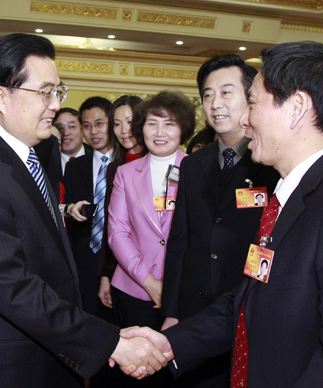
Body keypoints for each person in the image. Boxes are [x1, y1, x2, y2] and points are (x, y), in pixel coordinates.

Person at [0, 33, 171, 388]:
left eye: (58, 91)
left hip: (39, 355)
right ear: (0, 96)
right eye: (44, 92)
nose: (55, 105)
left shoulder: (23, 156)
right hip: (0, 368)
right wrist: (112, 342)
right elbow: (13, 288)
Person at [124, 40, 323, 388]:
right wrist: (170, 342)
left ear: (296, 108)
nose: (243, 118)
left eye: (252, 102)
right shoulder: (292, 197)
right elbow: (247, 300)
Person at [160, 54, 279, 387]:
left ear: (252, 97)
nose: (215, 104)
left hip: (246, 305)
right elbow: (180, 240)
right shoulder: (193, 165)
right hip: (194, 308)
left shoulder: (270, 163)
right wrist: (171, 310)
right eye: (208, 95)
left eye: (227, 93)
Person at [108, 90, 194, 386]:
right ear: (141, 127)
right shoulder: (125, 172)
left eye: (169, 124)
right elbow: (117, 232)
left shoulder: (197, 170)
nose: (159, 132)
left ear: (183, 129)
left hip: (183, 293)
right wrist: (150, 282)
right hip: (134, 289)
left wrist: (170, 287)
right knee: (136, 373)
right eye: (152, 123)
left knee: (175, 371)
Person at [62, 96, 113, 319]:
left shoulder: (127, 166)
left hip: (118, 262)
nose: (93, 131)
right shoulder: (75, 168)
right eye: (87, 125)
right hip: (85, 261)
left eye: (99, 124)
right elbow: (74, 222)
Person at [97, 95, 144, 311]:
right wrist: (106, 275)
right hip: (120, 272)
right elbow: (111, 225)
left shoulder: (160, 163)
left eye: (130, 121)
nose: (124, 129)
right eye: (117, 124)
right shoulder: (114, 168)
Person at [54, 107, 91, 175]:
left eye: (72, 127)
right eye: (60, 128)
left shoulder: (96, 157)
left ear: (82, 130)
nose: (66, 133)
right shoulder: (45, 160)